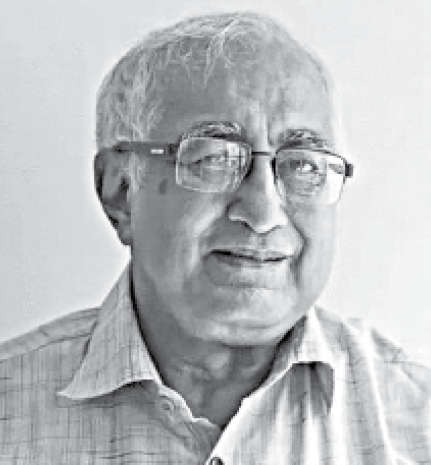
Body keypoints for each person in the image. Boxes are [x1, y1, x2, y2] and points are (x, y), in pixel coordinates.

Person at [0, 11, 429, 465]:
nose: (262, 214)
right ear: (120, 191)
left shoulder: (414, 426)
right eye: (213, 159)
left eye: (303, 164)